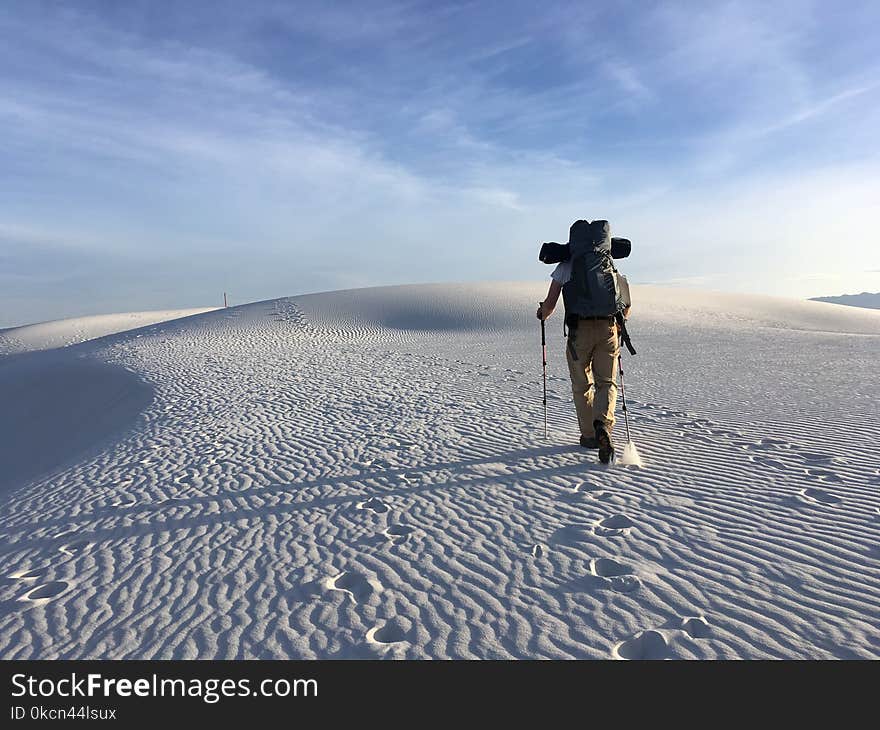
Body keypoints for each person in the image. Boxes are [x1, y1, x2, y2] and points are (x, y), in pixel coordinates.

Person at [536, 220, 631, 464]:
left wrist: (542, 314)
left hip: (579, 332)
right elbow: (625, 304)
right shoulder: (608, 262)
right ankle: (603, 425)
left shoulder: (566, 266)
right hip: (608, 328)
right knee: (607, 382)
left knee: (582, 385)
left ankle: (589, 435)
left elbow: (549, 306)